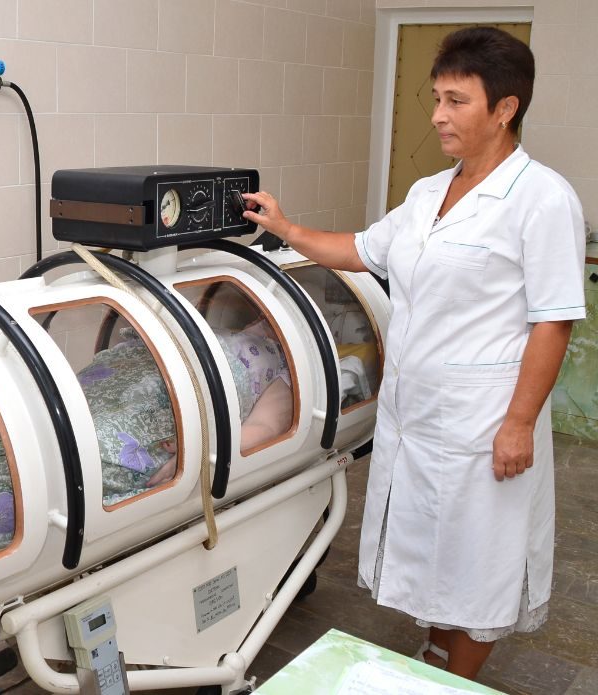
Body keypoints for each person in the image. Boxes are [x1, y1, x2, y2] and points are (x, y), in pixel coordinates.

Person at [241, 27, 586, 681]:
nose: (437, 116)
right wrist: (286, 228)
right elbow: (360, 250)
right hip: (417, 417)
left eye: (456, 101)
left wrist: (518, 423)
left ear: (505, 108)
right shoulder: (428, 192)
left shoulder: (541, 199)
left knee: (477, 561)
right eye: (436, 98)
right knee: (436, 550)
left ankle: (454, 680)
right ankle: (433, 655)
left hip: (484, 422)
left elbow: (554, 321)